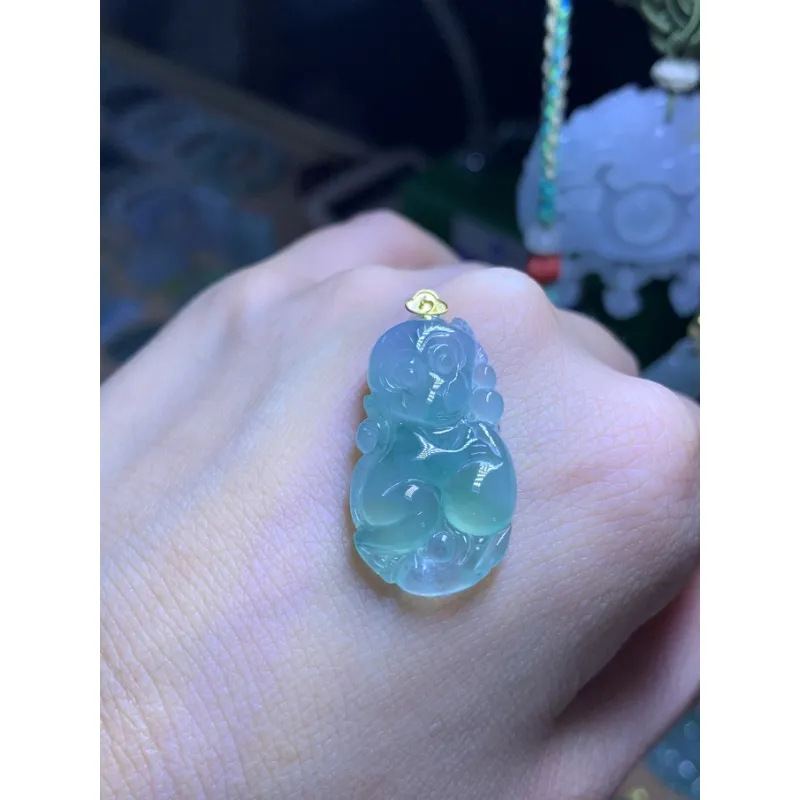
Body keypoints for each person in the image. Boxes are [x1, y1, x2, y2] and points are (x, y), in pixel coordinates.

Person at [101, 211, 699, 800]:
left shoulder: (470, 427)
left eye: (444, 373)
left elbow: (481, 477)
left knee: (477, 487)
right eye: (413, 377)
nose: (431, 388)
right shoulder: (396, 434)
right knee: (409, 499)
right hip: (403, 512)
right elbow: (389, 482)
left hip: (461, 503)